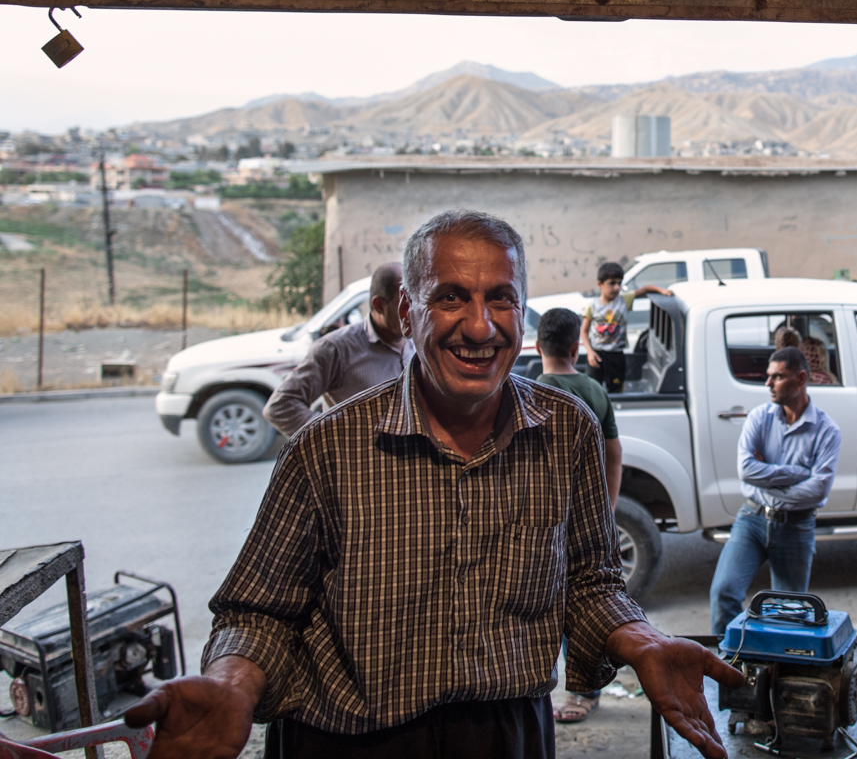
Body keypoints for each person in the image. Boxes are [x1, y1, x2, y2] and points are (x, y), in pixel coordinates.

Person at [124, 209, 742, 759]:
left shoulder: (567, 433)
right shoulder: (327, 448)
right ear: (405, 311)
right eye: (451, 298)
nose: (480, 328)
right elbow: (258, 611)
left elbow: (589, 580)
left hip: (507, 732)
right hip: (347, 740)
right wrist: (232, 684)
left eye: (501, 299)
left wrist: (641, 639)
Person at [709, 346, 842, 636]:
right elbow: (746, 471)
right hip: (752, 520)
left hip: (796, 528)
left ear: (801, 378)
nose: (768, 384)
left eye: (777, 377)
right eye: (768, 377)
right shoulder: (759, 418)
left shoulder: (827, 431)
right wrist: (796, 474)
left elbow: (818, 490)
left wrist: (766, 480)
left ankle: (776, 674)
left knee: (790, 615)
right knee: (724, 593)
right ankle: (727, 666)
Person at [532, 306, 621, 726]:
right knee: (585, 602)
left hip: (545, 522)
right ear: (575, 346)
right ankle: (586, 689)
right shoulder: (595, 391)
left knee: (550, 605)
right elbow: (614, 455)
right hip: (587, 517)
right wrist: (607, 507)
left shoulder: (530, 392)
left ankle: (572, 690)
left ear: (536, 346)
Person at [263, 261, 413, 437]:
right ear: (379, 305)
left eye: (418, 302)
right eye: (404, 304)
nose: (413, 312)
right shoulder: (336, 349)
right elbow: (281, 407)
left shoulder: (420, 343)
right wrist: (332, 440)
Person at [581, 262, 673, 394]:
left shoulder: (624, 300)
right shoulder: (592, 306)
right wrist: (590, 352)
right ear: (600, 284)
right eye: (612, 283)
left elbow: (646, 289)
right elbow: (583, 332)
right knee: (592, 390)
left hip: (616, 355)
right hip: (597, 354)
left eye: (619, 283)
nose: (617, 287)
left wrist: (662, 291)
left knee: (616, 388)